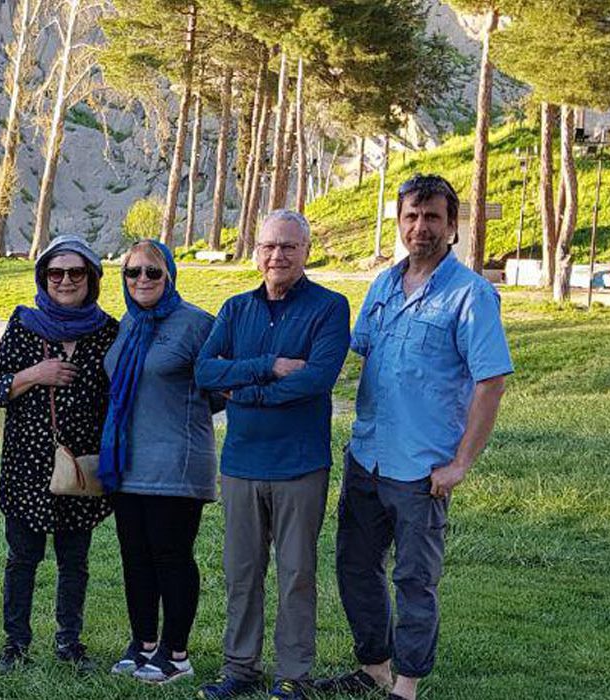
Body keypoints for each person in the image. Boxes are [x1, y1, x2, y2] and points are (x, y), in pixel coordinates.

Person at [315, 175, 511, 700]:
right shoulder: (383, 284)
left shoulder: (471, 294)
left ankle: (406, 685)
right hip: (368, 456)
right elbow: (359, 351)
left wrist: (460, 464)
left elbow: (491, 382)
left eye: (432, 217)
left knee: (414, 579)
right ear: (400, 223)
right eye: (411, 216)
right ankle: (374, 668)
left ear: (451, 226)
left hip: (422, 469)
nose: (420, 227)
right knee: (355, 566)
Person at [194, 210, 351, 700]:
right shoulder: (235, 309)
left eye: (288, 246)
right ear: (256, 251)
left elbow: (317, 379)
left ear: (306, 251)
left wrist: (246, 391)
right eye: (268, 246)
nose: (277, 255)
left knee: (297, 574)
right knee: (241, 573)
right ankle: (240, 668)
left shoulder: (330, 307)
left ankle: (293, 675)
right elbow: (204, 371)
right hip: (241, 463)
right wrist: (270, 366)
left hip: (299, 465)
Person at [0, 235, 117, 672]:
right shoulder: (24, 325)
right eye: (55, 272)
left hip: (81, 468)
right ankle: (15, 644)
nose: (65, 280)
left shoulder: (108, 332)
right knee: (22, 559)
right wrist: (34, 374)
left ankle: (69, 643)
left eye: (75, 272)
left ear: (91, 278)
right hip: (27, 466)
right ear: (43, 277)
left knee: (74, 562)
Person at [98, 239, 220, 685]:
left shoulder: (196, 324)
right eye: (133, 272)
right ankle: (144, 643)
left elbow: (220, 389)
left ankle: (177, 654)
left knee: (171, 556)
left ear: (169, 275)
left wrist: (179, 415)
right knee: (135, 557)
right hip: (128, 462)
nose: (142, 280)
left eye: (153, 272)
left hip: (176, 461)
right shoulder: (130, 322)